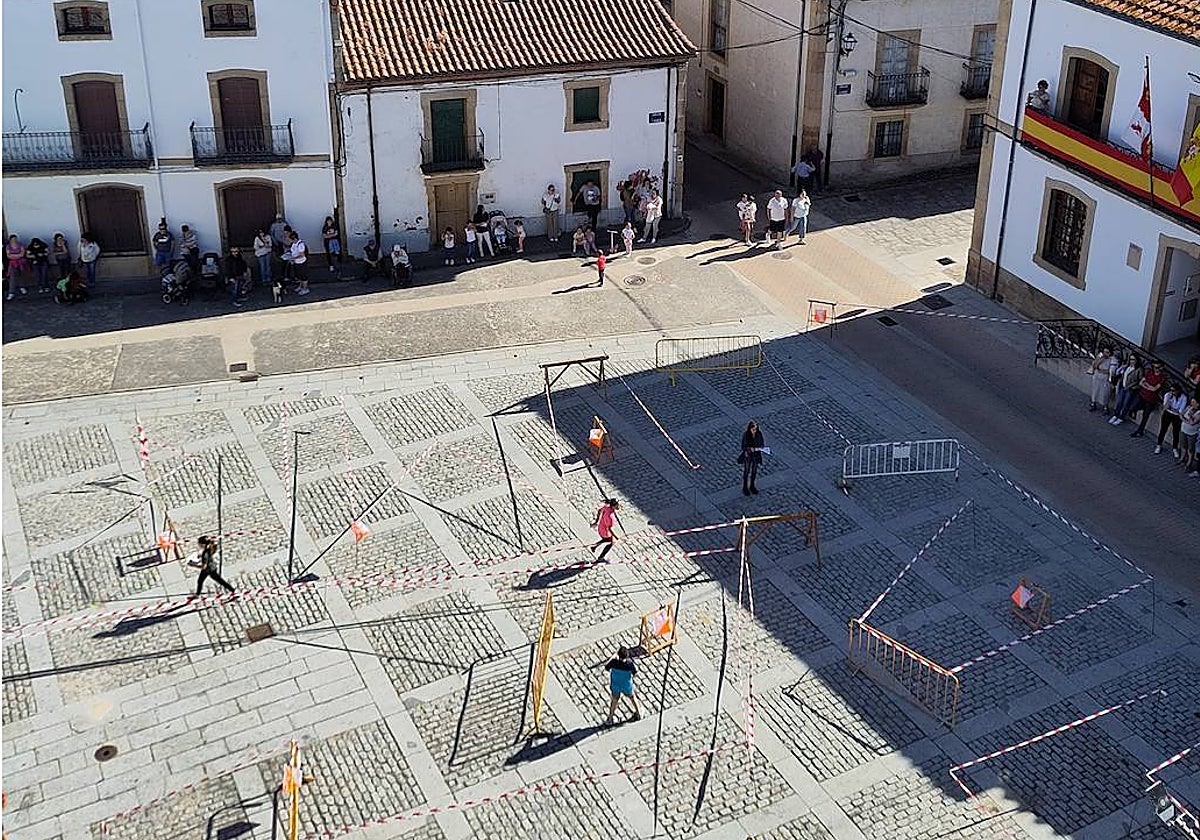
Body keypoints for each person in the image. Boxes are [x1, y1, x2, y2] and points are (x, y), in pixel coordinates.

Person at [603, 645, 642, 725]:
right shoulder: (629, 664)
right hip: (626, 685)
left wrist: (613, 657)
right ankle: (638, 713)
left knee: (614, 699)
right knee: (632, 697)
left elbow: (607, 668)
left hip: (615, 684)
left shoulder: (613, 662)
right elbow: (634, 672)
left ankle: (610, 718)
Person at [1130, 361, 1165, 438]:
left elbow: (1154, 389)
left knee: (1145, 416)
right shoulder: (1149, 372)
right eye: (1154, 367)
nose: (1156, 369)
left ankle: (1140, 431)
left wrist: (1146, 384)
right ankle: (1133, 414)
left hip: (1150, 400)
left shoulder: (1161, 377)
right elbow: (1141, 383)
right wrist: (1149, 386)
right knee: (1133, 407)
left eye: (1157, 367)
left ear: (1161, 368)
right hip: (1142, 396)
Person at [1156, 382, 1187, 457]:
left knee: (1175, 432)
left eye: (1173, 391)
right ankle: (1159, 445)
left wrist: (1171, 408)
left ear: (1178, 391)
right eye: (1171, 390)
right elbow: (1165, 407)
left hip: (1177, 416)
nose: (1172, 392)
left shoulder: (1183, 397)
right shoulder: (1168, 395)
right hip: (1167, 414)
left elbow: (1181, 411)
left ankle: (1174, 448)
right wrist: (1169, 400)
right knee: (1163, 429)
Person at [1110, 355, 1143, 424]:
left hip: (1130, 388)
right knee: (1119, 402)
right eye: (1131, 359)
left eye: (1133, 360)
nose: (1132, 361)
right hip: (1123, 386)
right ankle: (1116, 415)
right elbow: (1121, 374)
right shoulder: (1127, 367)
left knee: (1125, 404)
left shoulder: (1139, 369)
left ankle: (1121, 417)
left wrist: (1131, 386)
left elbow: (1139, 380)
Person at [1088, 346, 1117, 412]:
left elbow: (1112, 371)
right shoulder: (1100, 356)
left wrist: (1103, 371)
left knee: (1105, 393)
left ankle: (1105, 407)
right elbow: (1095, 366)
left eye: (1107, 352)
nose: (1105, 354)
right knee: (1095, 390)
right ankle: (1093, 403)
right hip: (1097, 375)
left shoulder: (1113, 360)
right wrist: (1100, 360)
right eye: (1104, 352)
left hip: (1105, 377)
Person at [740, 420, 764, 495]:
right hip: (748, 456)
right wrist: (749, 449)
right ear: (750, 428)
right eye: (753, 429)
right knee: (746, 471)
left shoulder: (759, 434)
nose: (754, 431)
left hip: (756, 455)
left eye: (756, 429)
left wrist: (759, 447)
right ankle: (745, 487)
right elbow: (743, 446)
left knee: (754, 471)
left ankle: (752, 486)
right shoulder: (746, 435)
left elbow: (762, 443)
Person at [283, 230, 309, 295]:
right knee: (299, 275)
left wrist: (292, 258)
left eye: (290, 239)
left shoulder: (301, 244)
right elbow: (293, 251)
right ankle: (301, 286)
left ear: (294, 239)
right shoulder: (294, 244)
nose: (289, 241)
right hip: (296, 262)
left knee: (303, 276)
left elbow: (301, 255)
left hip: (302, 262)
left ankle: (305, 288)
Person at [1179, 395, 1200, 475]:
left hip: (1192, 433)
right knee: (1183, 445)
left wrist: (1190, 416)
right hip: (1184, 429)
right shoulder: (1189, 407)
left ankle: (1189, 463)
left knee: (1190, 449)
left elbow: (1193, 422)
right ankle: (1182, 458)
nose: (1192, 403)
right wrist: (1186, 421)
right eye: (1192, 402)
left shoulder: (1199, 413)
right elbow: (1181, 415)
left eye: (1194, 402)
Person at [5, 235, 28, 301]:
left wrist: (13, 255)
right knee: (12, 277)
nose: (14, 240)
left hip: (20, 262)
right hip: (12, 263)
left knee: (21, 275)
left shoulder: (20, 245)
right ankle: (11, 292)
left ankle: (22, 287)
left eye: (15, 239)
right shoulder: (8, 246)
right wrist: (17, 255)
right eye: (13, 239)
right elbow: (8, 256)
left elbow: (22, 254)